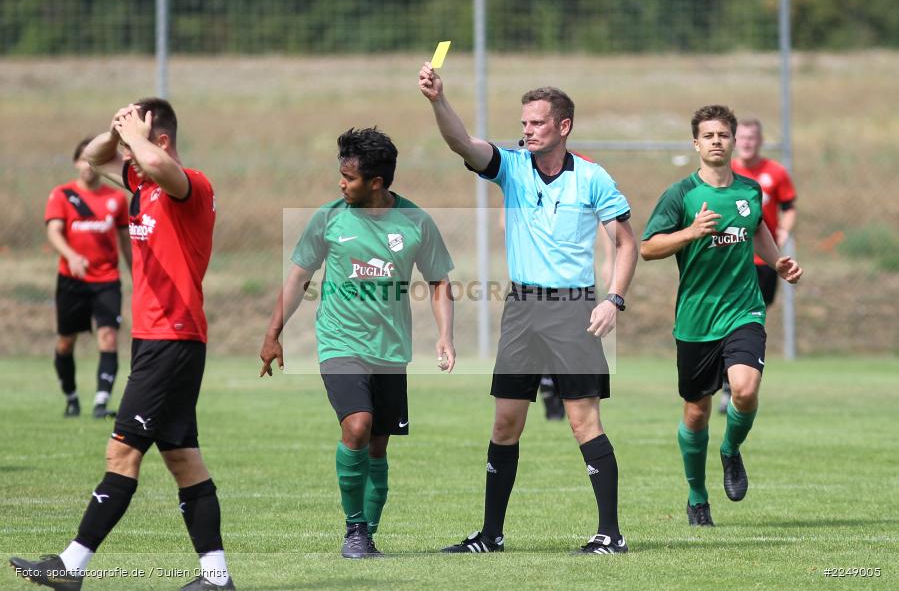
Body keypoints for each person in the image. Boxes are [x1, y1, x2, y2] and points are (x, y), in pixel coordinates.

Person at [10, 99, 235, 590]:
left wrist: (137, 139)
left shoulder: (187, 184)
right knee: (182, 459)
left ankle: (72, 566)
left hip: (172, 338)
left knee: (122, 454)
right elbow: (93, 157)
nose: (127, 162)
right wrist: (117, 132)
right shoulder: (141, 182)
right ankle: (216, 579)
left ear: (161, 141)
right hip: (157, 339)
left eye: (137, 144)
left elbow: (155, 163)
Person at [419, 63, 638, 554]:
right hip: (521, 309)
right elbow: (463, 144)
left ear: (563, 126)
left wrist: (613, 300)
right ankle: (491, 536)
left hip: (573, 311)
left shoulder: (594, 178)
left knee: (584, 423)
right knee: (505, 423)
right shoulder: (513, 167)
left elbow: (627, 244)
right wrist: (438, 100)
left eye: (537, 122)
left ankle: (611, 535)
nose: (527, 130)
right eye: (524, 123)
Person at [259, 127, 456, 559]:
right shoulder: (329, 218)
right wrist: (273, 333)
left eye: (349, 178)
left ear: (377, 183)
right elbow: (297, 277)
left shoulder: (416, 222)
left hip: (390, 350)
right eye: (341, 175)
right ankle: (354, 530)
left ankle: (367, 534)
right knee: (357, 426)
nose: (341, 184)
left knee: (378, 446)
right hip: (339, 342)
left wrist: (445, 336)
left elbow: (439, 281)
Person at [640, 105, 802, 527]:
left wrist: (778, 262)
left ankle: (730, 450)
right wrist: (691, 232)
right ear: (696, 144)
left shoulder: (750, 191)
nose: (716, 141)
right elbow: (648, 247)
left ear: (733, 142)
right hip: (696, 319)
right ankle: (697, 496)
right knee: (696, 412)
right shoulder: (681, 194)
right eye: (708, 135)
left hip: (742, 309)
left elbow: (759, 230)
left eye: (723, 135)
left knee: (745, 390)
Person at [45, 137, 131, 419]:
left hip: (106, 279)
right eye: (82, 159)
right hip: (72, 280)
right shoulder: (62, 195)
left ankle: (100, 402)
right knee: (65, 343)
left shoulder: (116, 198)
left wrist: (138, 274)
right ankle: (71, 396)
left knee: (107, 337)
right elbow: (54, 231)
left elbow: (125, 242)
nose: (87, 165)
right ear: (75, 163)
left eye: (91, 159)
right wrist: (71, 255)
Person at [718, 118, 798, 413]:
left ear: (760, 140)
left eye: (753, 137)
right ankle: (729, 385)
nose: (748, 143)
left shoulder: (775, 173)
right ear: (736, 141)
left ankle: (740, 381)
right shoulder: (725, 173)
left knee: (752, 319)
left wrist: (785, 232)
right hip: (730, 259)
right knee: (727, 316)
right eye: (743, 137)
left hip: (764, 260)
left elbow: (789, 208)